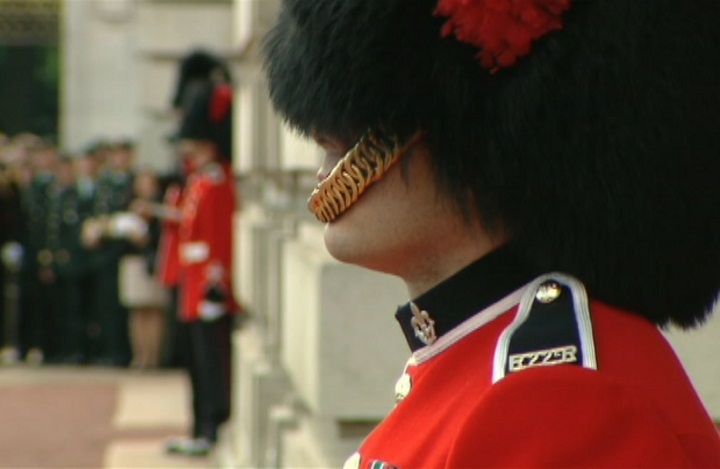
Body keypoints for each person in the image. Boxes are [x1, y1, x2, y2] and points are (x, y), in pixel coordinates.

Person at [262, 0, 720, 466]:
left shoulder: (559, 404)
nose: (325, 133)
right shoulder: (476, 356)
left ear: (454, 126)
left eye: (362, 117)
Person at [163, 80, 239, 457]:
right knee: (194, 362)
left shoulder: (216, 183)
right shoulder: (199, 182)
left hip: (206, 288)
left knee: (211, 364)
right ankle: (197, 427)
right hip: (190, 284)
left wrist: (217, 285)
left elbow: (221, 238)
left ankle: (210, 428)